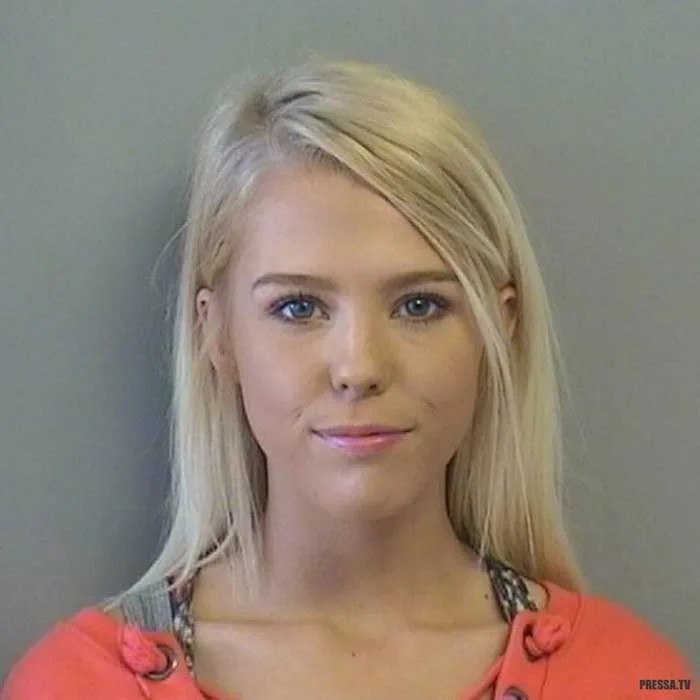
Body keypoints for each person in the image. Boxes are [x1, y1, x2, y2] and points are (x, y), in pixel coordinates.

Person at [2, 58, 696, 700]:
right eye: (297, 307)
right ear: (217, 334)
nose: (361, 368)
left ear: (499, 327)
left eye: (419, 305)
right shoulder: (76, 685)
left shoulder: (630, 678)